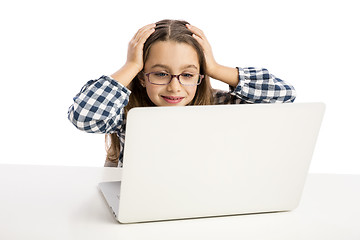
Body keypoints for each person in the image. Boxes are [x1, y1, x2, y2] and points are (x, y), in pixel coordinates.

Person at [67, 19, 296, 167]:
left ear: (200, 76)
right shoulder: (127, 112)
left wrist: (216, 68)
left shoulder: (218, 104)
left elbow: (284, 96)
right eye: (160, 74)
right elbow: (84, 117)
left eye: (187, 75)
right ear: (141, 77)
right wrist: (131, 66)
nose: (174, 87)